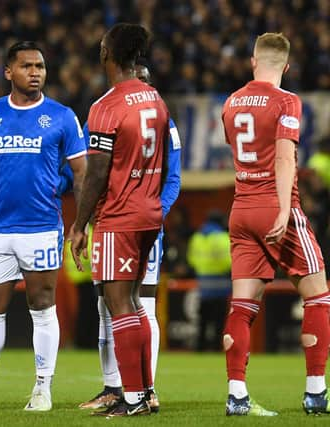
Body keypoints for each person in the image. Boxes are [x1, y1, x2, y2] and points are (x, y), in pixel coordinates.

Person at [0, 41, 87, 413]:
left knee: (42, 306)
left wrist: (81, 221)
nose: (36, 72)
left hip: (42, 227)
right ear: (8, 72)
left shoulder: (62, 116)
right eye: (27, 66)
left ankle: (42, 388)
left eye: (40, 66)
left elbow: (81, 174)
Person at [221, 32, 330, 416]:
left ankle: (237, 395)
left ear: (253, 61)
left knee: (242, 305)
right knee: (318, 294)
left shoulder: (231, 102)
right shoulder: (287, 101)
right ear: (286, 66)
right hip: (274, 205)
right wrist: (284, 211)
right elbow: (285, 159)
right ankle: (316, 391)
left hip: (241, 209)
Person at [68, 23, 170, 417]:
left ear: (109, 53)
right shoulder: (156, 100)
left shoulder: (105, 106)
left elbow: (96, 173)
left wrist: (80, 225)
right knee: (136, 303)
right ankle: (145, 391)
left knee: (118, 305)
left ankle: (131, 398)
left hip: (119, 216)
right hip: (149, 213)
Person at [186, 210, 231, 352]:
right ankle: (217, 348)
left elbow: (191, 259)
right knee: (219, 322)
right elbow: (229, 261)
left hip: (203, 285)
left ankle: (200, 348)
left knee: (203, 321)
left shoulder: (197, 237)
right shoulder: (222, 237)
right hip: (220, 285)